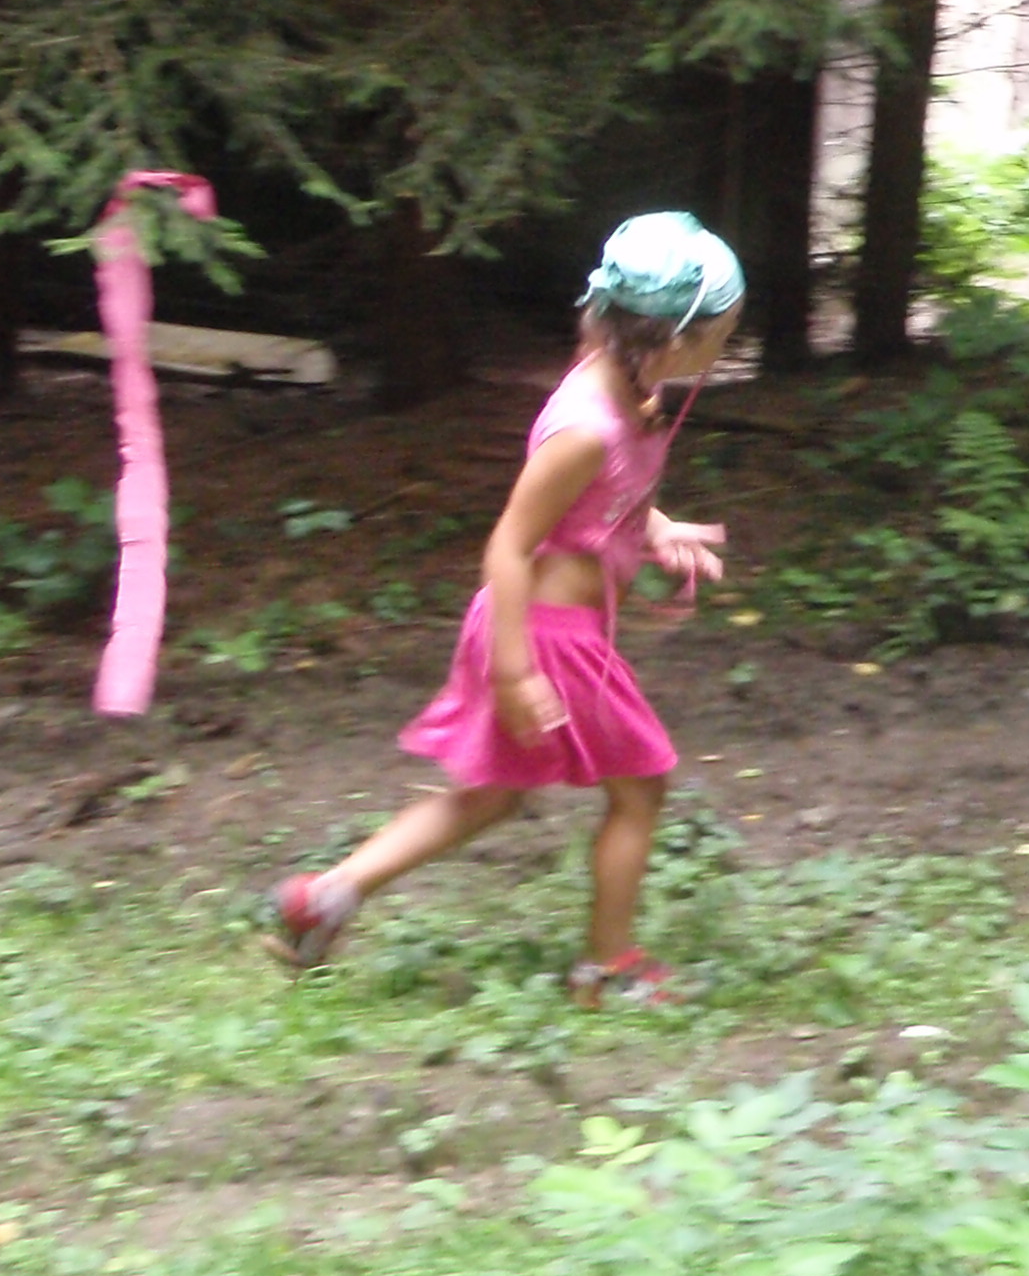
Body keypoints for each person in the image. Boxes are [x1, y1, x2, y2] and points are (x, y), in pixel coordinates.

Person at [270, 213, 743, 1006]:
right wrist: (517, 673)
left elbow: (599, 498)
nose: (725, 347)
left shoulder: (628, 384)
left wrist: (656, 527)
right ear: (672, 336)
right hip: (549, 640)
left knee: (491, 795)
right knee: (641, 788)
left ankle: (326, 899)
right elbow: (510, 545)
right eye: (721, 333)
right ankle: (608, 969)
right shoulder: (587, 425)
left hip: (548, 631)